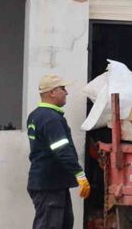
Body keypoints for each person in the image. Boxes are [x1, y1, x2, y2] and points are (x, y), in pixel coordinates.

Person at [26, 74, 90, 229]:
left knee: (64, 223)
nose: (66, 92)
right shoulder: (51, 119)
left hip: (51, 183)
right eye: (63, 89)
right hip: (49, 185)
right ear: (52, 92)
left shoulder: (36, 115)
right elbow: (62, 150)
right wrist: (79, 174)